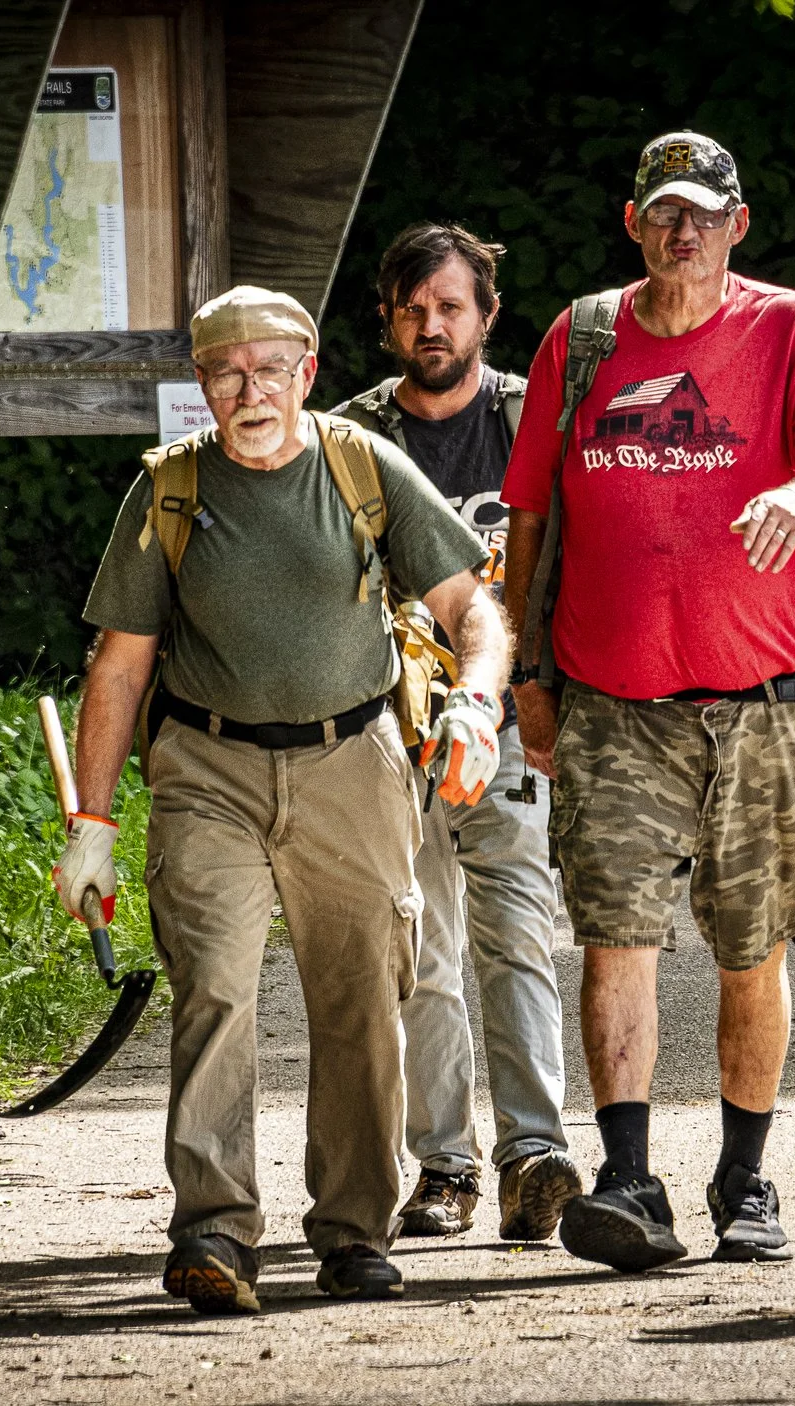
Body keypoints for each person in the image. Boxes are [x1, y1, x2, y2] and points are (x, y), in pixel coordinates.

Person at [54, 285, 508, 1312]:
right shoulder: (168, 489)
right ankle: (213, 1228)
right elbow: (120, 665)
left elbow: (468, 604)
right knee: (213, 984)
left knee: (360, 999)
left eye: (269, 369)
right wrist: (92, 819)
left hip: (353, 758)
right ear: (201, 385)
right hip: (206, 768)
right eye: (224, 371)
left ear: (306, 374)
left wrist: (476, 703)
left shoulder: (360, 464)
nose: (247, 390)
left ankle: (353, 1229)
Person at [500, 131, 795, 1272]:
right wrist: (525, 670)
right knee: (615, 937)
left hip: (762, 697)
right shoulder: (584, 337)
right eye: (664, 211)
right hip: (612, 702)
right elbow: (526, 515)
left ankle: (744, 1178)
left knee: (750, 947)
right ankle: (627, 1178)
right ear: (633, 222)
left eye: (703, 213)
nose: (682, 230)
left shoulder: (789, 325)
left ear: (736, 225)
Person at [333, 223, 579, 1241]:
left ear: (485, 313)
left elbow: (582, 548)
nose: (430, 325)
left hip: (508, 713)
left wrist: (554, 687)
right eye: (411, 308)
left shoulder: (535, 417)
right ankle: (443, 1166)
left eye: (449, 306)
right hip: (386, 727)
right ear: (386, 319)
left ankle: (534, 1152)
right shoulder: (345, 435)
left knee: (515, 927)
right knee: (419, 944)